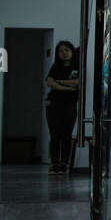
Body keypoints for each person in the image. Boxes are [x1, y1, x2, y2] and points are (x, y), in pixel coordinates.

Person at [44, 40, 80, 174]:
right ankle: (54, 164)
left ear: (72, 51)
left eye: (67, 50)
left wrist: (60, 82)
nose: (64, 53)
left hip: (70, 105)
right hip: (54, 105)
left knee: (66, 135)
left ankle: (64, 164)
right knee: (54, 135)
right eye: (61, 51)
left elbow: (78, 82)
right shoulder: (55, 67)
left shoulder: (78, 67)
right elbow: (50, 82)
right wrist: (67, 88)